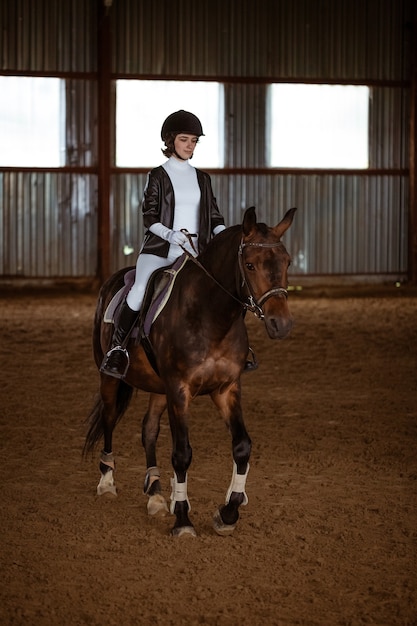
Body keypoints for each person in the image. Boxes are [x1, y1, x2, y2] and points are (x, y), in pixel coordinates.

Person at [100, 110, 226, 379]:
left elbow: (214, 216)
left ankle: (232, 348)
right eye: (184, 139)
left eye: (194, 140)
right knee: (140, 288)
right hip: (159, 251)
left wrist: (225, 235)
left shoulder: (203, 179)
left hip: (195, 252)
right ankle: (118, 349)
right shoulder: (158, 175)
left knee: (222, 289)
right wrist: (170, 235)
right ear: (170, 141)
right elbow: (150, 217)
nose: (189, 145)